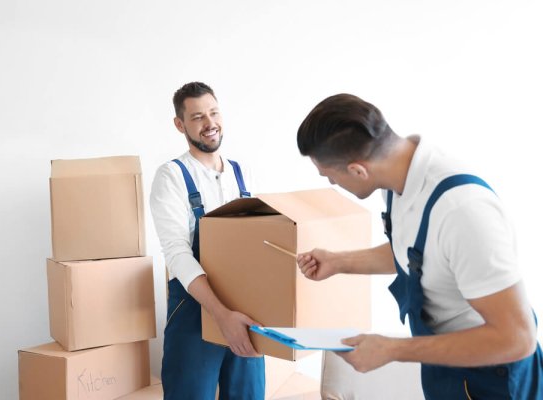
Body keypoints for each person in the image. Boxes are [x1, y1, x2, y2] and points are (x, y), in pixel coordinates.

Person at [295, 93, 542, 399]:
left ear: (358, 170)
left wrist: (391, 349)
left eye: (330, 177)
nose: (332, 184)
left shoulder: (462, 211)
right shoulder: (393, 182)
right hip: (448, 366)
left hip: (495, 376)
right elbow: (420, 255)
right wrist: (339, 262)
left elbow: (517, 338)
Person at [150, 82, 265, 400]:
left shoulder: (243, 175)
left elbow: (261, 246)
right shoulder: (172, 176)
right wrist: (220, 314)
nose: (209, 123)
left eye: (214, 112)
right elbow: (177, 253)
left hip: (246, 312)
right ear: (180, 124)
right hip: (194, 313)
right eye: (198, 116)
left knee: (249, 396)